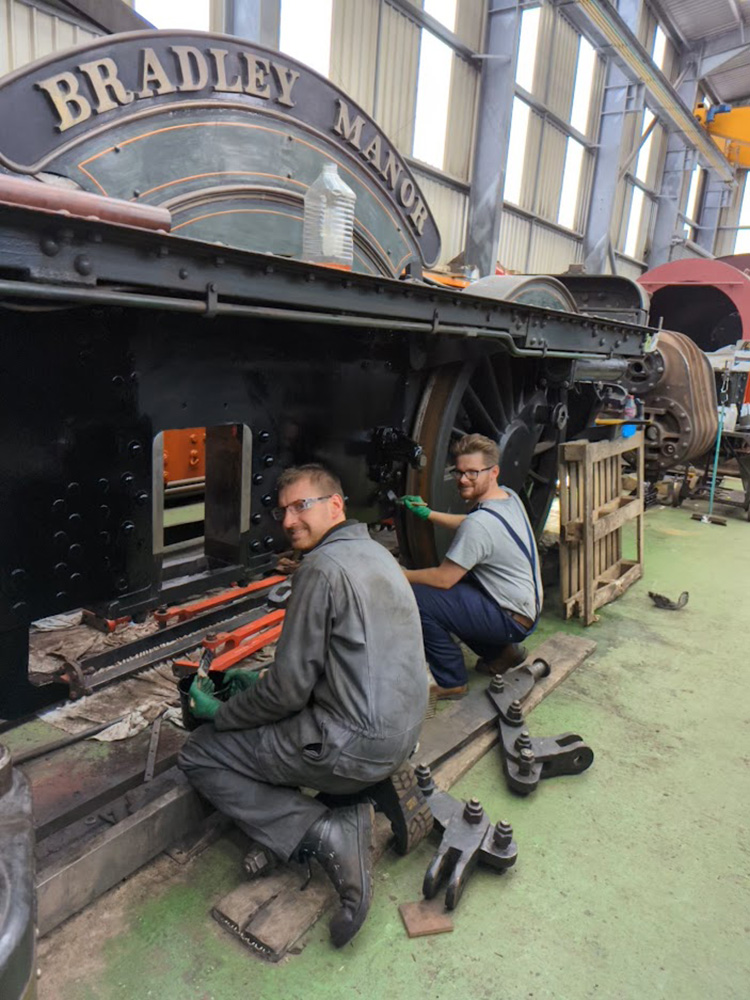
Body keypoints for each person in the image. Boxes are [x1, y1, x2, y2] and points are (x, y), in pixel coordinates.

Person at [178, 464, 428, 948]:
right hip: (403, 730)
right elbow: (350, 660)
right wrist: (255, 682)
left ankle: (325, 830)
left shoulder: (320, 569)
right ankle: (365, 783)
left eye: (302, 506)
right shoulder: (376, 554)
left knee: (201, 753)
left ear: (336, 505)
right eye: (283, 511)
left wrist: (222, 713)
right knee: (279, 717)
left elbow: (288, 692)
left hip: (353, 743)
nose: (289, 520)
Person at [401, 433, 542, 699]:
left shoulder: (480, 525)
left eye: (473, 473)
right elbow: (472, 525)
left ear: (493, 471)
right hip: (522, 608)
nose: (463, 479)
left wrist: (400, 575)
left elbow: (444, 579)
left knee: (418, 597)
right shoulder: (507, 497)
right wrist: (429, 514)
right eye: (459, 472)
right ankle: (502, 653)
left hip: (509, 618)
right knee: (455, 594)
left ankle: (451, 680)